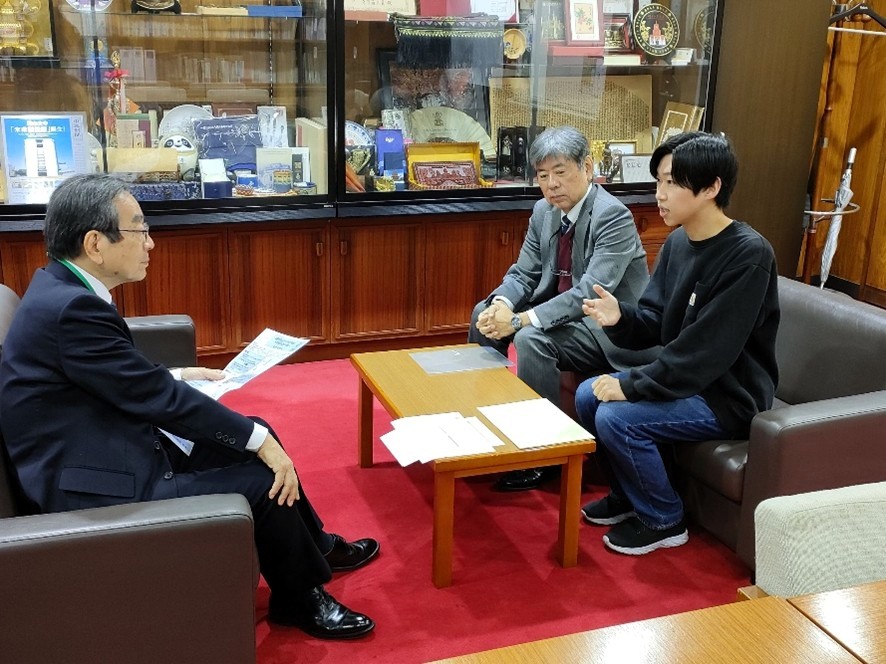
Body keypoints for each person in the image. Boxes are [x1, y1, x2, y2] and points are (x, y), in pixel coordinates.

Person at [0, 174, 378, 640]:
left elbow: (114, 376)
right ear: (95, 243)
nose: (150, 244)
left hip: (98, 442)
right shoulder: (72, 310)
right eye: (140, 230)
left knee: (256, 431)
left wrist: (177, 375)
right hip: (92, 482)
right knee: (261, 473)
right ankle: (298, 598)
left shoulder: (62, 289)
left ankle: (314, 547)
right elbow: (155, 399)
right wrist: (253, 439)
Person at [575, 131, 780, 555]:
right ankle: (628, 497)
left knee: (617, 417)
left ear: (711, 188)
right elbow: (655, 320)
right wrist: (621, 317)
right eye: (659, 182)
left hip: (727, 396)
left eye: (671, 182)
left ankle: (664, 519)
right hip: (688, 382)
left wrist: (631, 385)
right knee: (587, 395)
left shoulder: (749, 254)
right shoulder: (678, 242)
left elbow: (706, 353)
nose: (660, 194)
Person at [469, 126, 654, 491]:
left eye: (560, 172)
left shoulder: (612, 216)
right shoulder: (544, 211)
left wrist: (520, 320)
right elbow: (524, 273)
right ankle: (486, 428)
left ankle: (544, 454)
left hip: (609, 330)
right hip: (565, 316)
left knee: (531, 338)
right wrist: (501, 305)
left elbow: (589, 292)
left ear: (587, 167)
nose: (551, 184)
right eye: (542, 175)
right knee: (483, 312)